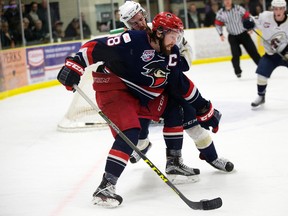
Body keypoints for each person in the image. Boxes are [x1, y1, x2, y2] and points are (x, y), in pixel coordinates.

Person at [57, 12, 233, 207]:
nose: (175, 41)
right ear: (159, 32)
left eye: (178, 36)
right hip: (115, 89)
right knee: (130, 133)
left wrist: (203, 107)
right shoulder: (131, 40)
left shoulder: (171, 52)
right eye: (172, 35)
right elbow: (95, 47)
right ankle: (105, 188)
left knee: (176, 106)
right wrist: (74, 66)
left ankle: (174, 163)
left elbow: (180, 83)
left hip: (142, 94)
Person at [119, 0, 233, 176]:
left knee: (191, 122)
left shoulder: (160, 29)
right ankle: (143, 145)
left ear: (144, 15)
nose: (139, 24)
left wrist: (178, 64)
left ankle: (211, 157)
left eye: (140, 19)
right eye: (133, 23)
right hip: (145, 91)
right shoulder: (127, 41)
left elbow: (184, 48)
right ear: (127, 24)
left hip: (171, 87)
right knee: (138, 125)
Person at [242, 0, 288, 108]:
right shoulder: (265, 17)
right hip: (270, 55)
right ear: (272, 9)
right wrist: (248, 22)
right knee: (261, 74)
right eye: (275, 8)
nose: (278, 11)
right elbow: (251, 20)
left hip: (285, 53)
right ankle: (261, 96)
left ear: (285, 9)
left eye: (280, 9)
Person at [214, 0, 261, 78]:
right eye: (225, 0)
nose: (227, 1)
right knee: (235, 54)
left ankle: (262, 68)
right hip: (232, 36)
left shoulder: (238, 8)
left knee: (253, 51)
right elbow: (217, 24)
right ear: (223, 2)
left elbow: (248, 17)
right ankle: (237, 71)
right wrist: (221, 34)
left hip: (244, 34)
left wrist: (250, 27)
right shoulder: (220, 13)